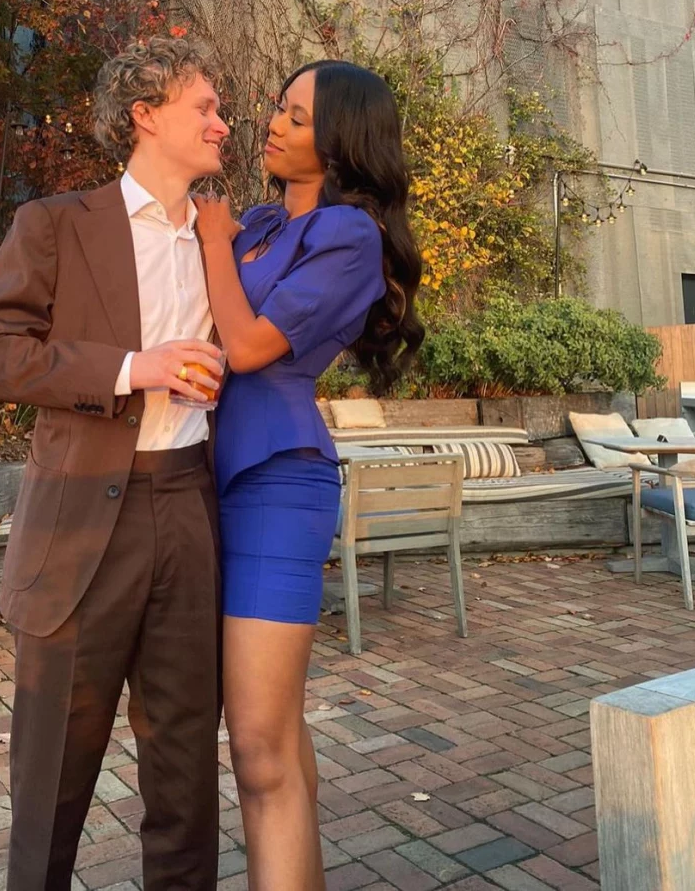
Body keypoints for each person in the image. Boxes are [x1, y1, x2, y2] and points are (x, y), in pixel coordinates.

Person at [0, 36, 228, 891]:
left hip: (188, 506)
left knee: (185, 764)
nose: (223, 124)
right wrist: (130, 368)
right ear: (146, 115)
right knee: (55, 771)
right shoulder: (55, 226)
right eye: (205, 108)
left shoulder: (228, 239)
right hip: (81, 522)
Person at [194, 60, 425, 890]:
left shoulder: (346, 237)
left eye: (296, 116)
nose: (274, 124)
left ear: (339, 140)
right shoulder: (254, 222)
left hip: (274, 485)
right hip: (198, 477)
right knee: (275, 733)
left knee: (256, 746)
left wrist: (213, 242)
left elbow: (250, 349)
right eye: (277, 109)